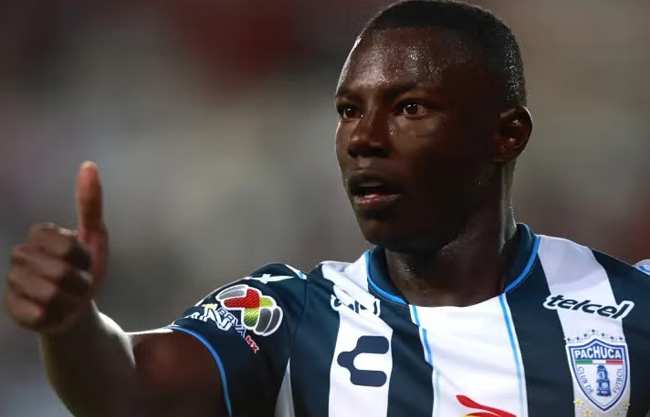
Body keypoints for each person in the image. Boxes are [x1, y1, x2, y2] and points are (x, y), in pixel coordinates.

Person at [4, 1, 650, 416]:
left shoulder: (626, 309)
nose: (363, 137)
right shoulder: (290, 316)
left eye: (409, 107)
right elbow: (126, 387)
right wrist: (72, 324)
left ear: (506, 135)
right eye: (348, 110)